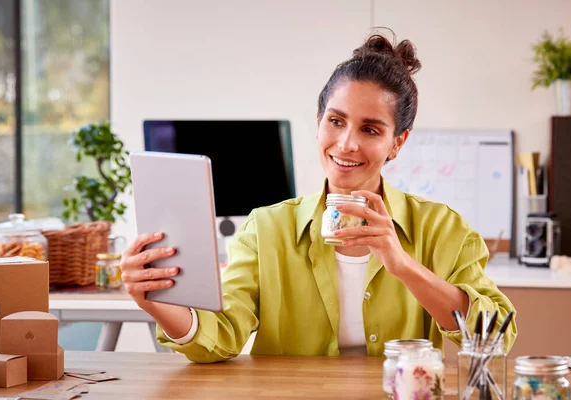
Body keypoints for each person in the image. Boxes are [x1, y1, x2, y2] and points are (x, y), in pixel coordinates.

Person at [120, 29, 517, 363]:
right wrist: (154, 300)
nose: (346, 144)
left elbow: (496, 339)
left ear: (397, 143)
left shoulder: (441, 228)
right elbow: (221, 336)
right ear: (318, 121)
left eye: (371, 130)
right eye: (336, 121)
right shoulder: (267, 228)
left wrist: (402, 265)